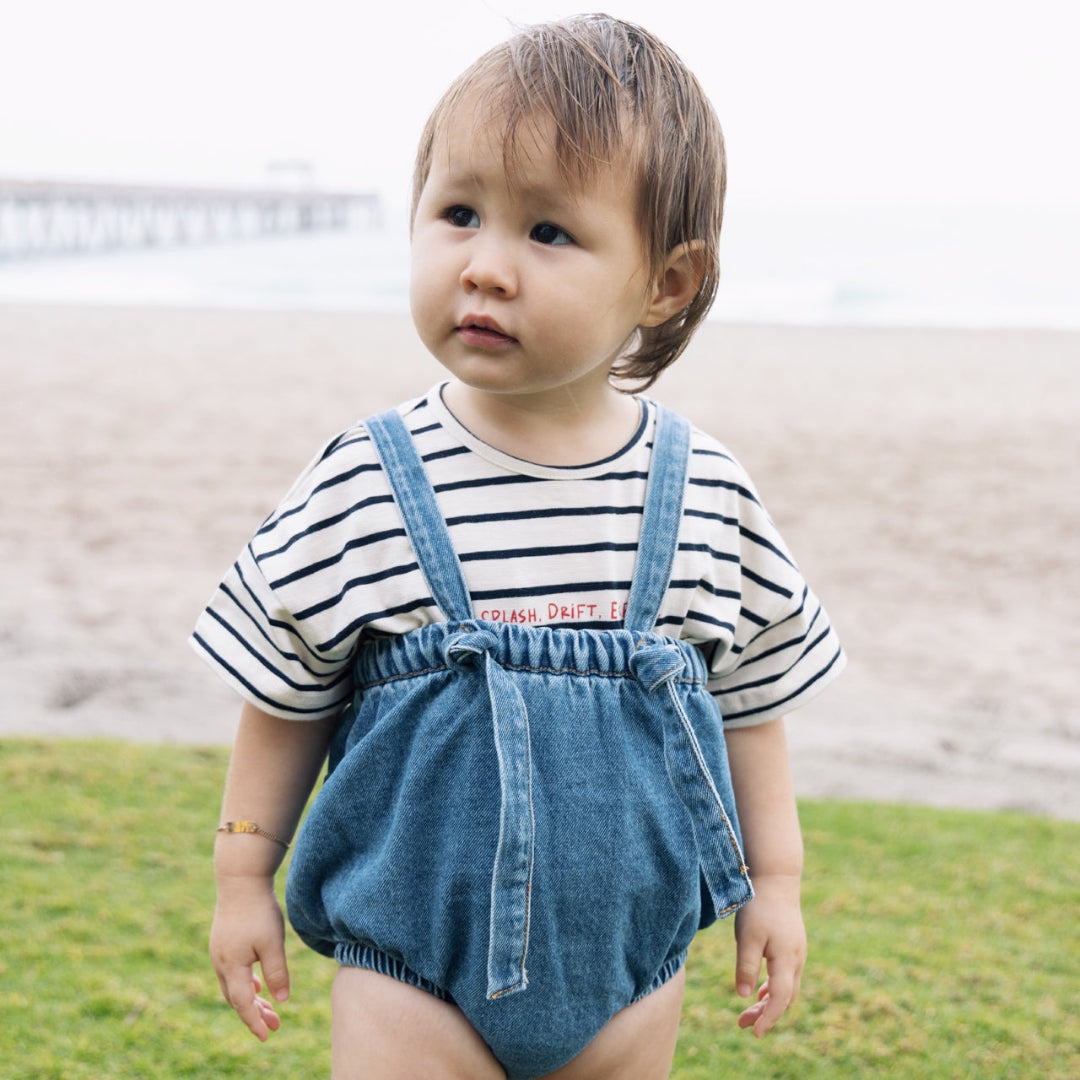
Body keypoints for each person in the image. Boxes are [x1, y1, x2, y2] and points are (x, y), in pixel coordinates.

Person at [196, 14, 845, 1080]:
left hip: (633, 972)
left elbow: (753, 706)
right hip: (412, 970)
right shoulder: (367, 479)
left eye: (549, 233)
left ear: (666, 284)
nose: (486, 266)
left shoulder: (704, 494)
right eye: (458, 213)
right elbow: (283, 696)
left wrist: (776, 884)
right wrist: (240, 878)